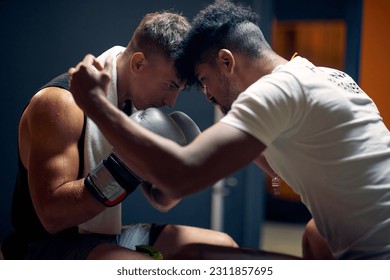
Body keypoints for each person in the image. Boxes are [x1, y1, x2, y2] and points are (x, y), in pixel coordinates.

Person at [68, 0, 390, 260]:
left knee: (224, 266)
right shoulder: (325, 76)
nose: (208, 95)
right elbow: (278, 164)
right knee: (316, 235)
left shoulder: (277, 90)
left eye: (204, 80)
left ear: (226, 61)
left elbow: (181, 177)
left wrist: (98, 105)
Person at [1, 10, 238, 260]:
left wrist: (180, 174)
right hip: (43, 246)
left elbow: (161, 200)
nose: (171, 101)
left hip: (102, 236)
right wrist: (127, 165)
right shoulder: (61, 104)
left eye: (179, 89)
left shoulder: (137, 109)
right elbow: (52, 217)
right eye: (169, 85)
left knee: (222, 249)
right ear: (138, 63)